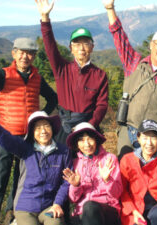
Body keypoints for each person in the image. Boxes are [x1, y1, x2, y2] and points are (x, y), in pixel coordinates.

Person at [0, 29, 58, 225]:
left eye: (29, 53)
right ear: (13, 54)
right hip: (6, 135)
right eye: (21, 52)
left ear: (34, 56)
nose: (24, 56)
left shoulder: (37, 77)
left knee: (22, 178)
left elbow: (52, 97)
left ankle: (12, 213)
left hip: (28, 138)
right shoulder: (4, 75)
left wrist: (40, 117)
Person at [0, 99, 71, 225]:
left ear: (52, 128)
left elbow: (66, 181)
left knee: (56, 223)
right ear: (32, 133)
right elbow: (6, 138)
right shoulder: (26, 149)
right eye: (38, 128)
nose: (43, 131)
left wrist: (57, 203)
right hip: (26, 207)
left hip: (48, 207)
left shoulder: (63, 152)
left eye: (46, 126)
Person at [102, 0, 157, 158]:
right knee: (125, 174)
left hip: (154, 136)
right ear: (151, 45)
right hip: (129, 129)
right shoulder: (134, 63)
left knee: (151, 177)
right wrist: (110, 8)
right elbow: (119, 37)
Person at [36, 0, 109, 145]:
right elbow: (50, 47)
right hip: (64, 126)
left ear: (92, 47)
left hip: (88, 126)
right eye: (77, 44)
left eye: (86, 43)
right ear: (71, 47)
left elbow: (102, 105)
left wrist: (90, 124)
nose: (81, 48)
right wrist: (45, 19)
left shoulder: (99, 75)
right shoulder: (62, 68)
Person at [62, 122, 123, 225]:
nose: (87, 144)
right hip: (82, 213)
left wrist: (107, 180)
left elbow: (117, 194)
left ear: (96, 140)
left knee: (90, 207)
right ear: (77, 144)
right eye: (81, 140)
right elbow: (73, 199)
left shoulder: (109, 159)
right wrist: (76, 185)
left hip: (107, 210)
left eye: (90, 139)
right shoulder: (75, 163)